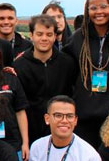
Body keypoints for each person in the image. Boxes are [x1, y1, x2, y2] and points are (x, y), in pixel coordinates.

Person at [63, 0, 109, 149]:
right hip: (85, 112)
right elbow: (63, 63)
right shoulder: (79, 37)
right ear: (87, 12)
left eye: (103, 7)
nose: (99, 11)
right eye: (93, 8)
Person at [14, 15, 77, 144]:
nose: (44, 38)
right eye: (39, 34)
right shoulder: (19, 65)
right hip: (31, 131)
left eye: (49, 34)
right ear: (31, 35)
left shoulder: (67, 63)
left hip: (62, 128)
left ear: (55, 36)